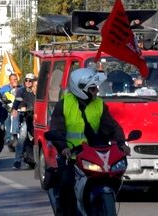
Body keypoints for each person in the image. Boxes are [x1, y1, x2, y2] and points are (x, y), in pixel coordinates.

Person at [48, 68, 129, 216]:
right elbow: (57, 129)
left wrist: (121, 143)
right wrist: (63, 147)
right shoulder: (64, 105)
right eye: (93, 88)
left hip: (96, 154)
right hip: (71, 156)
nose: (97, 91)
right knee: (66, 183)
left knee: (113, 176)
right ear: (81, 89)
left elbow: (111, 126)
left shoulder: (99, 104)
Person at [12, 73, 37, 169]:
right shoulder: (21, 91)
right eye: (26, 80)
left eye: (30, 81)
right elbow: (18, 102)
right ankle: (17, 160)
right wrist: (15, 109)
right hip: (28, 117)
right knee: (22, 135)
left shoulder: (39, 91)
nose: (28, 82)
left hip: (38, 117)